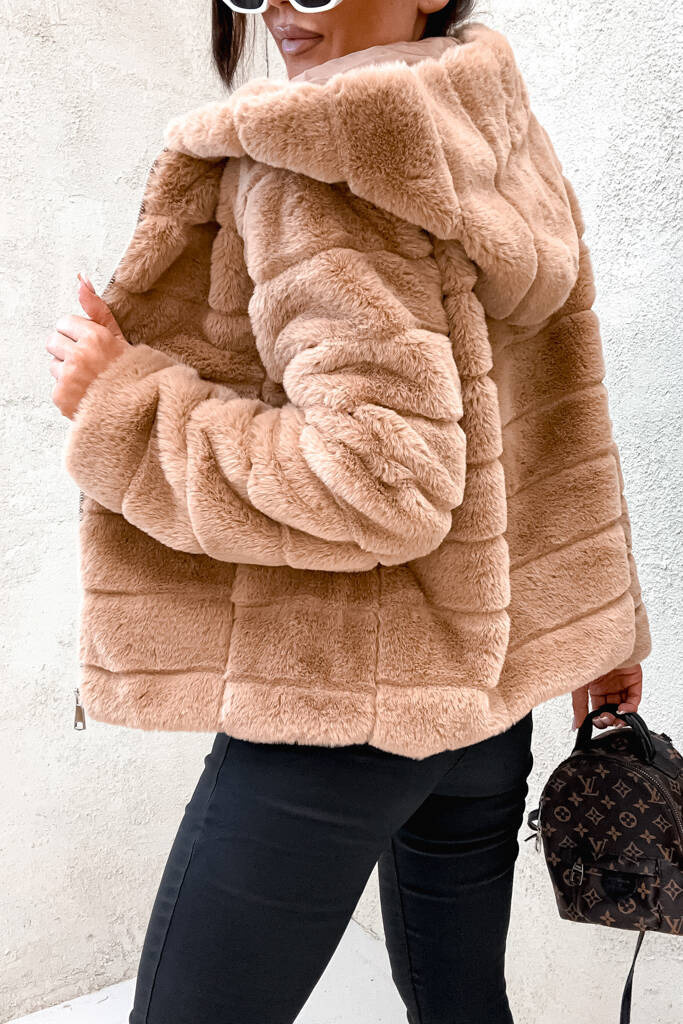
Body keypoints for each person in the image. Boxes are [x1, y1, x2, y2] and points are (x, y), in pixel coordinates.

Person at [46, 2, 651, 1022]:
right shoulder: (488, 126)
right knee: (461, 1005)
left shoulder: (316, 162)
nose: (281, 8)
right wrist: (603, 628)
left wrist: (125, 405)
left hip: (336, 713)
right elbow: (556, 425)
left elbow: (383, 479)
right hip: (482, 705)